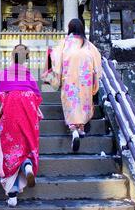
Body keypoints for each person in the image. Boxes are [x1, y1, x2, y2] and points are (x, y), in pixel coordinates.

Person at [0, 44, 42, 208]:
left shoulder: (1, 75)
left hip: (10, 115)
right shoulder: (30, 77)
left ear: (12, 57)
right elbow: (38, 98)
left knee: (9, 150)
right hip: (28, 116)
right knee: (25, 145)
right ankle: (27, 165)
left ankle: (12, 194)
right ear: (26, 58)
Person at [43, 18, 102, 152]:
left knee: (71, 102)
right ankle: (80, 128)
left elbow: (54, 56)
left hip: (69, 79)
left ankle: (73, 129)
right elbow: (97, 58)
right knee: (84, 102)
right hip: (85, 80)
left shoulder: (65, 43)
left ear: (70, 28)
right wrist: (94, 76)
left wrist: (50, 57)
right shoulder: (87, 44)